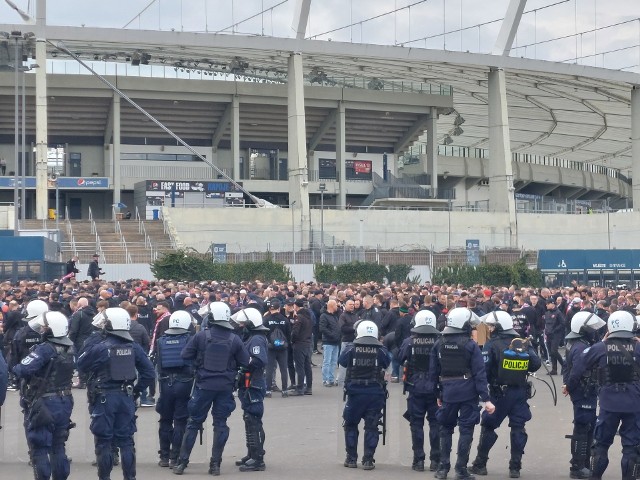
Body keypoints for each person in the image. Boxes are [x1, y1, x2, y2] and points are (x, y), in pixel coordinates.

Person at [77, 307, 156, 480]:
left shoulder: (100, 347)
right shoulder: (133, 347)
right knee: (127, 441)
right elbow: (149, 373)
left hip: (104, 397)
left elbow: (80, 363)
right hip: (125, 397)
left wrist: (93, 339)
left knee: (104, 442)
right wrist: (135, 391)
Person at [173, 302, 249, 476]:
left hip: (203, 385)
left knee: (193, 423)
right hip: (225, 387)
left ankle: (182, 463)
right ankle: (215, 465)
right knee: (220, 424)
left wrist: (196, 366)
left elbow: (184, 355)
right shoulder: (234, 338)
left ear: (212, 317)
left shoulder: (201, 336)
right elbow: (245, 362)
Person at [469, 310, 541, 478]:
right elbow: (536, 364)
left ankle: (480, 464)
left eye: (492, 326)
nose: (490, 328)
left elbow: (484, 370)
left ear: (498, 326)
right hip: (520, 393)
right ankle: (515, 468)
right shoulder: (522, 342)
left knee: (488, 426)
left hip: (499, 393)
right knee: (518, 428)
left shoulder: (491, 344)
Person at [568, 310, 640, 480]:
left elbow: (579, 365)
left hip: (608, 404)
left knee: (600, 446)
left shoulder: (601, 347)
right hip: (634, 403)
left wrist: (570, 387)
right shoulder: (638, 347)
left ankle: (596, 477)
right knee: (631, 448)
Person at [429, 307, 495, 480]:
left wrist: (438, 394)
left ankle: (443, 468)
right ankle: (461, 470)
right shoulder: (470, 345)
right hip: (468, 393)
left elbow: (433, 372)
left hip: (447, 392)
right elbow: (480, 373)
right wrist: (486, 399)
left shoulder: (439, 343)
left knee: (445, 429)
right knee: (466, 430)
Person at [13, 311, 75, 480]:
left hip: (45, 401)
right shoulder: (70, 347)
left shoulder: (45, 349)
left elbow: (21, 369)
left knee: (40, 447)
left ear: (51, 330)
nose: (41, 330)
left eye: (44, 327)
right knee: (58, 446)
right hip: (65, 399)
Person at [339, 319, 390, 470]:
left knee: (350, 425)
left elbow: (341, 361)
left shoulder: (351, 348)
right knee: (372, 426)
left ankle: (351, 458)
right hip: (375, 393)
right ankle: (368, 459)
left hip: (355, 393)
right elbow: (387, 363)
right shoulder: (381, 350)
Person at [562, 311, 606, 479]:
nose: (593, 330)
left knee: (587, 427)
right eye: (590, 328)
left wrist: (567, 385)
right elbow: (577, 370)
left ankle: (583, 464)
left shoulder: (575, 343)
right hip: (584, 391)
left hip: (582, 390)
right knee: (583, 428)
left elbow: (567, 367)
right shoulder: (582, 346)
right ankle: (578, 467)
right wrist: (570, 385)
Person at [398, 309, 441, 472]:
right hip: (436, 388)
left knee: (416, 424)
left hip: (415, 387)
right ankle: (436, 460)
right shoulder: (440, 341)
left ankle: (418, 460)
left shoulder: (410, 341)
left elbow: (400, 358)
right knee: (435, 424)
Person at [155, 310, 195, 469]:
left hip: (165, 384)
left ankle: (164, 456)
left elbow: (158, 363)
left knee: (165, 420)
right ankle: (175, 456)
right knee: (180, 421)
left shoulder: (160, 340)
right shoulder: (190, 340)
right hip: (184, 383)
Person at [231, 307, 269, 472]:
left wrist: (243, 362)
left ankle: (258, 459)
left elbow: (259, 360)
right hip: (248, 384)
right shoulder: (251, 338)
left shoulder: (257, 339)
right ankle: (251, 453)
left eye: (242, 322)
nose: (240, 325)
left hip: (253, 384)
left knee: (253, 419)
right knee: (249, 418)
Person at [264, 299, 291, 397]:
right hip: (283, 348)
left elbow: (264, 334)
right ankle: (284, 390)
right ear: (279, 308)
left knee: (269, 369)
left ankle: (268, 390)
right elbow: (288, 334)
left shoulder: (266, 320)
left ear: (270, 309)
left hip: (270, 348)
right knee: (284, 369)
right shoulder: (284, 319)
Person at [290, 299, 314, 396]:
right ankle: (309, 387)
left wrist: (292, 339)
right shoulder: (309, 317)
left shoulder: (299, 317)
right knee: (307, 366)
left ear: (296, 306)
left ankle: (299, 388)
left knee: (299, 367)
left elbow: (295, 331)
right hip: (307, 343)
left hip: (299, 343)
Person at [319, 299, 341, 387]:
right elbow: (322, 328)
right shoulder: (324, 316)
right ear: (332, 306)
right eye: (336, 305)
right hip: (328, 341)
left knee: (333, 361)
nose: (337, 307)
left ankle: (331, 379)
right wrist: (332, 335)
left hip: (335, 341)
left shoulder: (334, 316)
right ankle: (325, 380)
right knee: (327, 361)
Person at [544, 297, 566, 375]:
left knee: (554, 351)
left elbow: (563, 323)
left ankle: (564, 365)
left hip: (556, 334)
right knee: (551, 352)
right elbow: (546, 324)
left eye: (548, 304)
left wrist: (555, 330)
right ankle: (554, 369)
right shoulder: (547, 313)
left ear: (552, 304)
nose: (546, 305)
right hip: (548, 334)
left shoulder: (558, 313)